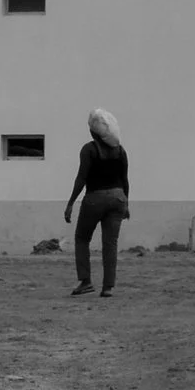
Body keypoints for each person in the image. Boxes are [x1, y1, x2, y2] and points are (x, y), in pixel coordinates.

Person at [64, 109, 130, 297]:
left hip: (95, 199)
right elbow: (125, 180)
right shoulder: (120, 151)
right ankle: (108, 287)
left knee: (82, 238)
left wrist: (70, 203)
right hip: (118, 198)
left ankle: (85, 282)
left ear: (93, 132)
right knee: (110, 244)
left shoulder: (89, 149)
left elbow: (81, 178)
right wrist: (127, 204)